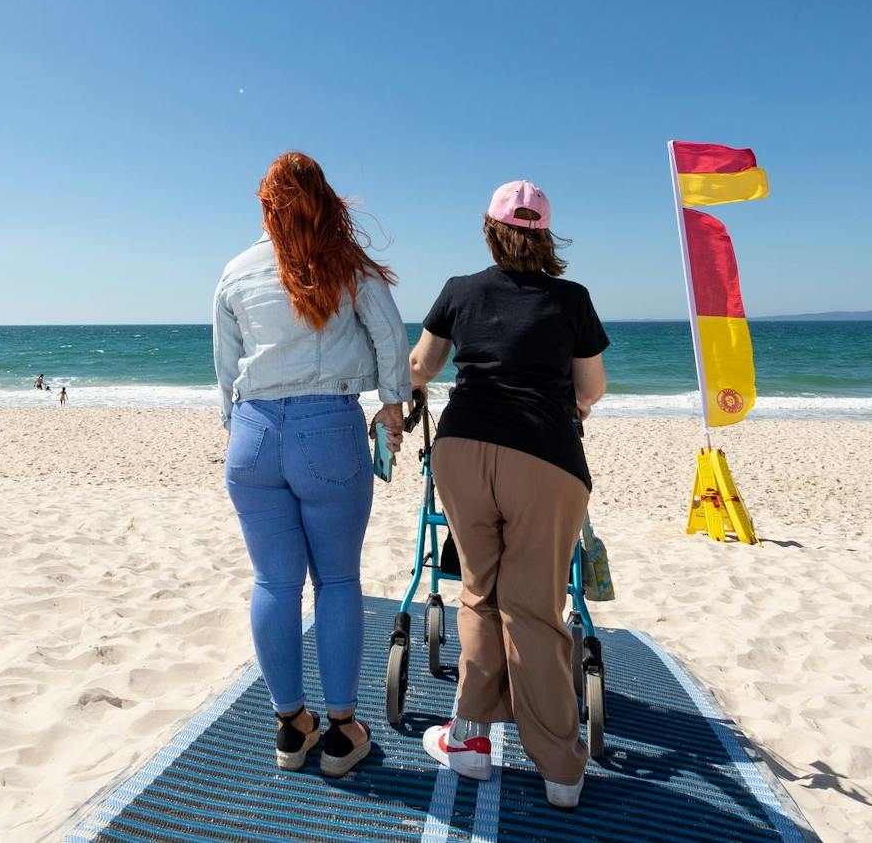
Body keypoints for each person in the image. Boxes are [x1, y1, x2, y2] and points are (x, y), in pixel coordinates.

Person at [410, 180, 607, 810]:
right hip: (546, 458)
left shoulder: (459, 291)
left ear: (490, 229)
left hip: (464, 450)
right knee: (536, 608)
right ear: (546, 234)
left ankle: (470, 741)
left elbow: (420, 367)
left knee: (479, 592)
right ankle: (560, 772)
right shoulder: (572, 299)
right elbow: (592, 389)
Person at [214, 152, 410, 778]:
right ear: (324, 198)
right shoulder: (345, 264)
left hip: (253, 433)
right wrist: (393, 404)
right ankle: (342, 730)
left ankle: (289, 726)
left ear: (265, 206)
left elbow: (226, 368)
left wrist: (240, 426)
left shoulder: (236, 271)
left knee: (274, 582)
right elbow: (389, 337)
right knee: (336, 581)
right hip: (327, 428)